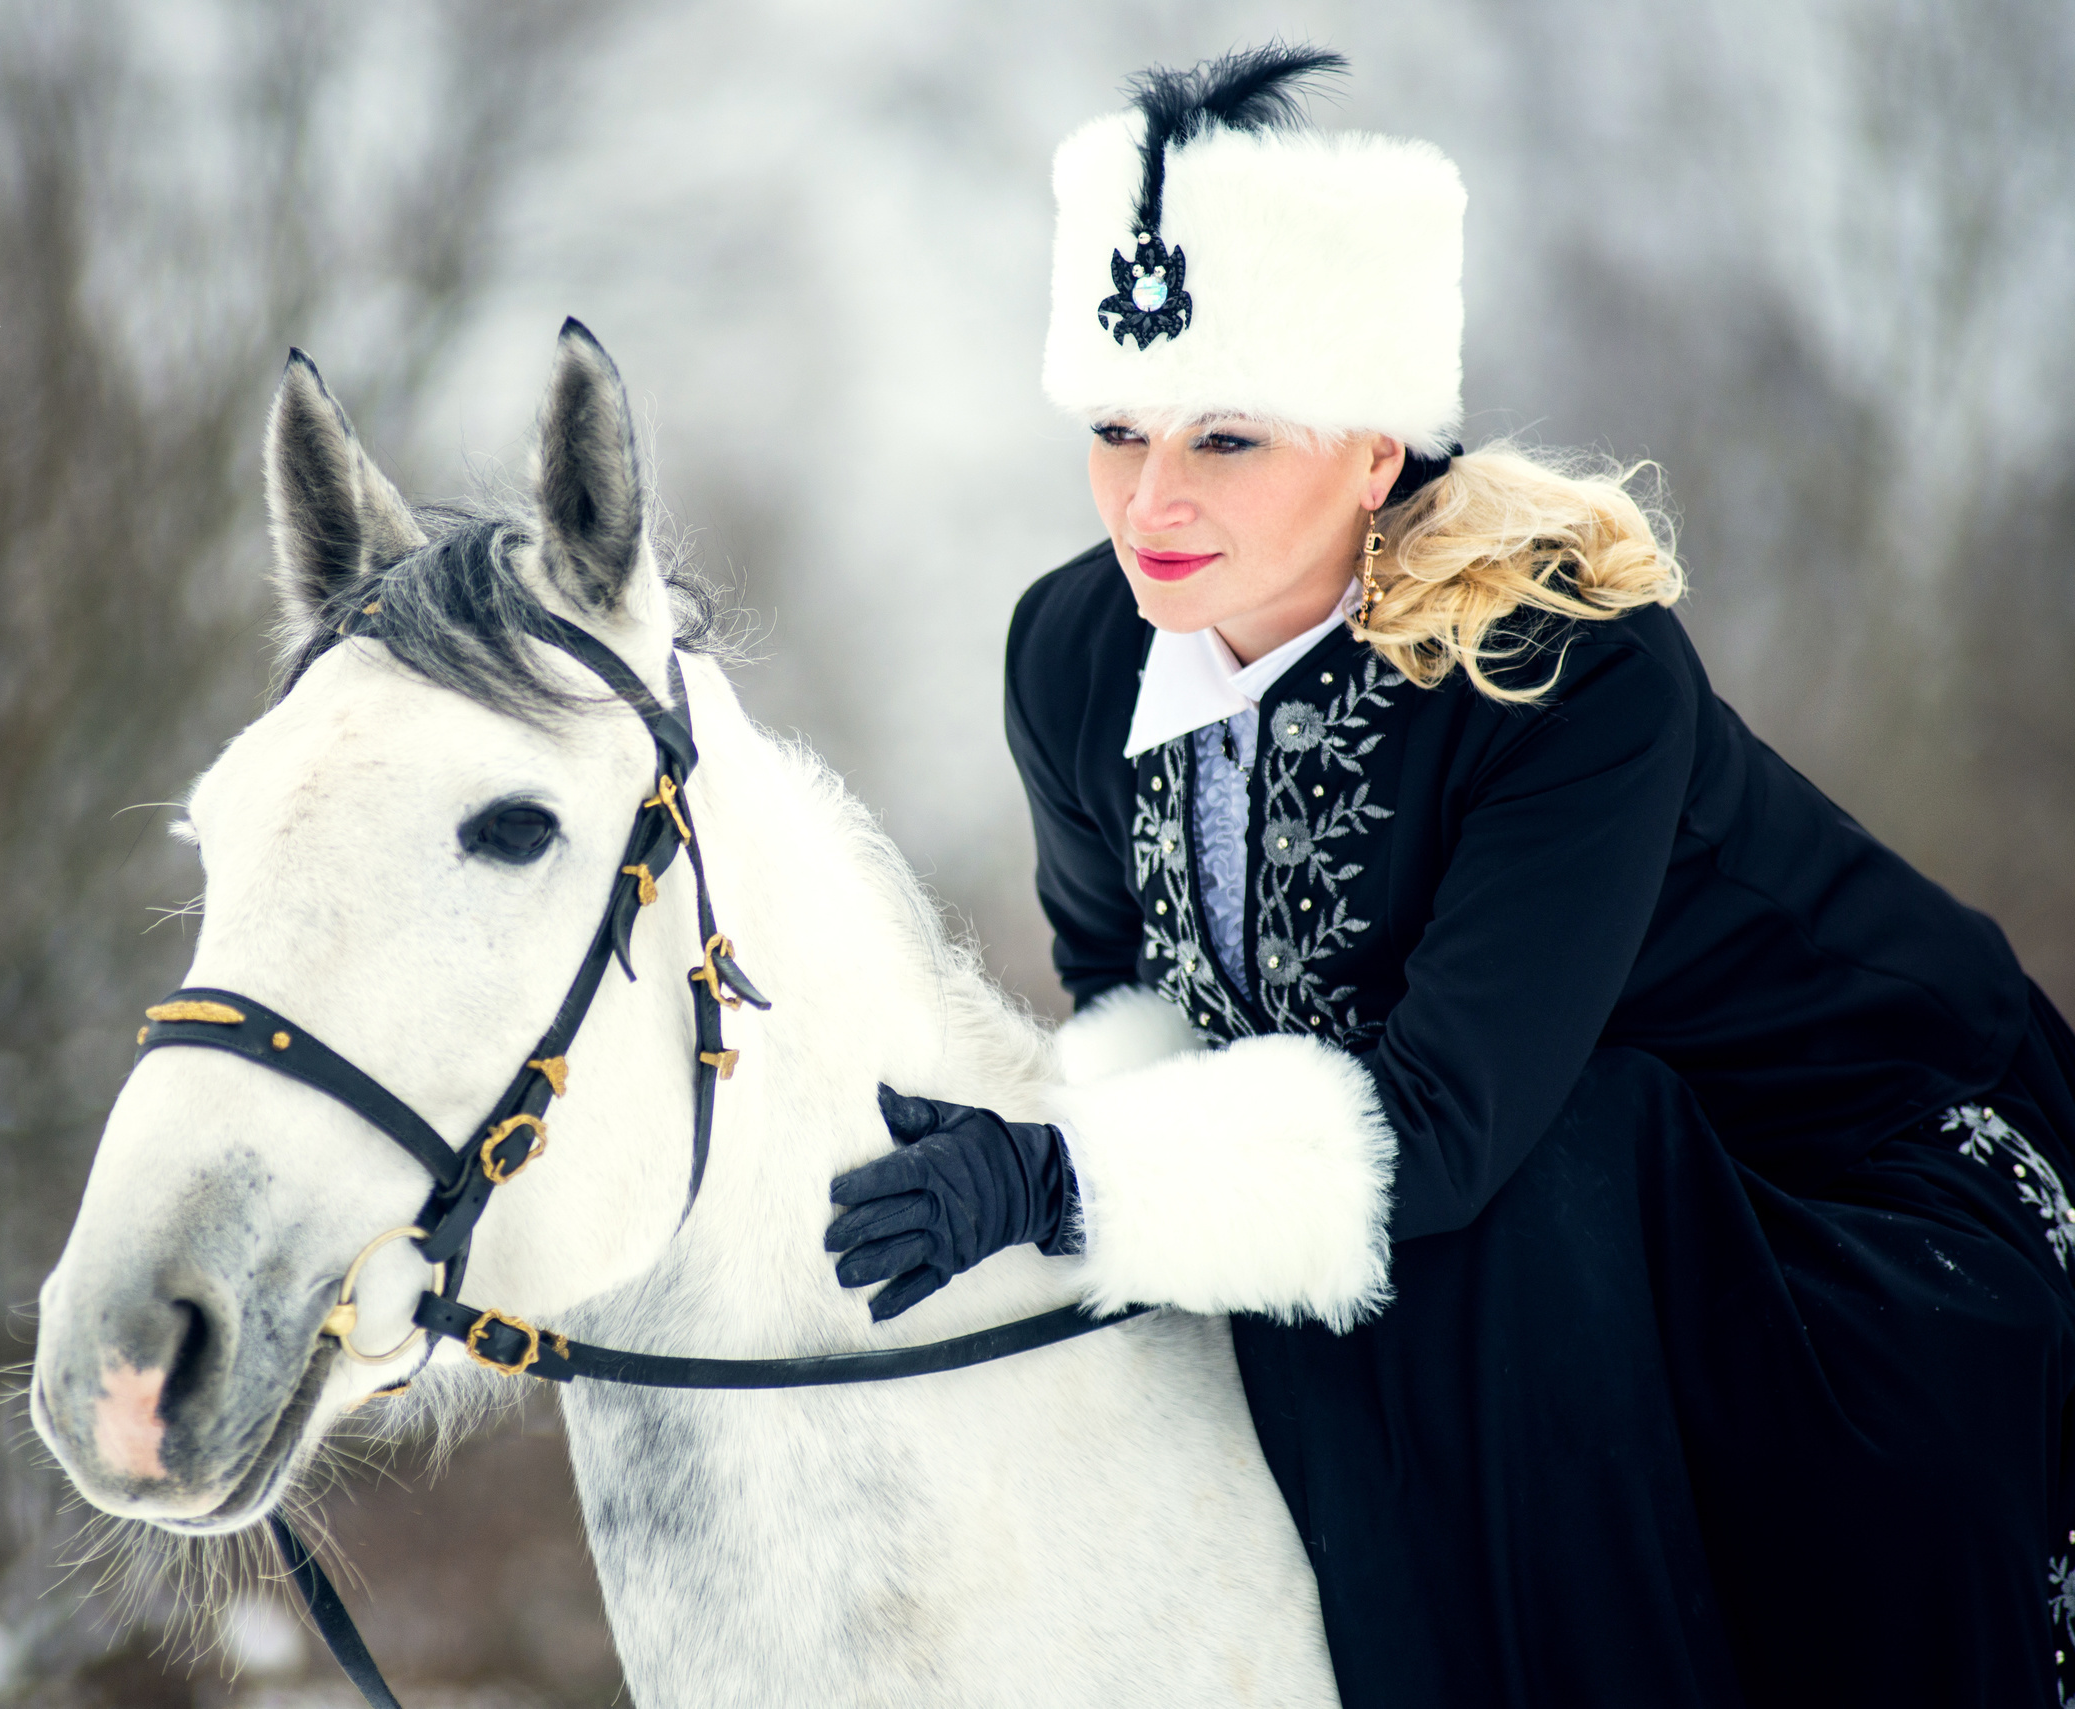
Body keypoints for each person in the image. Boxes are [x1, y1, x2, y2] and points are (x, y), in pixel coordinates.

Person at [821, 46, 2075, 1707]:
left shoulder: (1563, 668)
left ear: (1374, 450)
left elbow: (1449, 1132)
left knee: (1519, 1215)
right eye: (1118, 429)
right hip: (1535, 1179)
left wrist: (1070, 1185)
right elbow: (1136, 1003)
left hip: (1847, 1174)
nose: (1154, 499)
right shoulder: (1072, 652)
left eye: (1231, 437)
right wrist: (1046, 1155)